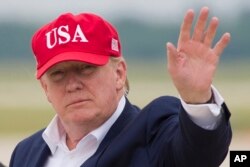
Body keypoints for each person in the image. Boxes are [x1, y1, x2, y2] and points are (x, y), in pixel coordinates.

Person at [10, 6, 232, 167]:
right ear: (45, 88)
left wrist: (197, 99)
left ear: (119, 74)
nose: (72, 85)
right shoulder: (26, 153)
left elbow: (199, 155)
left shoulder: (153, 134)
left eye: (86, 68)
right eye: (58, 74)